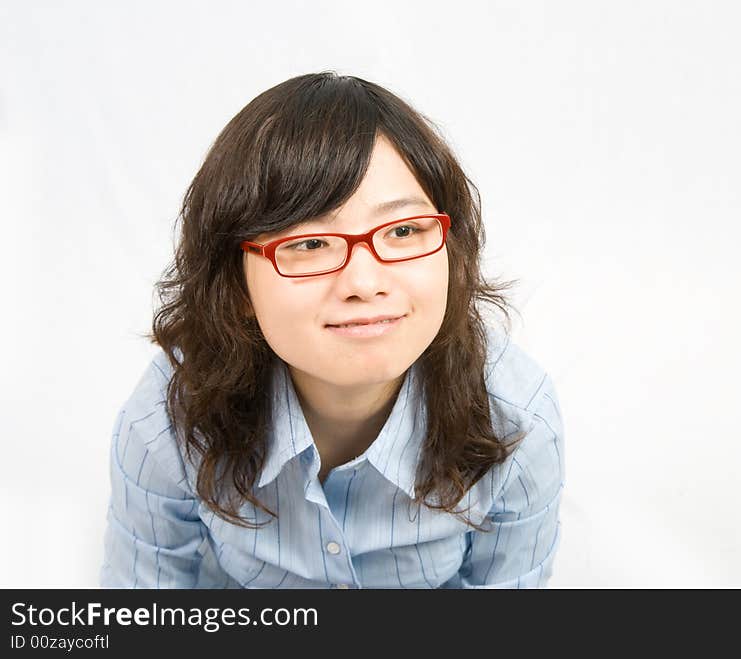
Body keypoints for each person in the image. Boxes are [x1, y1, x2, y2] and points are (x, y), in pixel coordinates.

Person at [99, 71, 565, 589]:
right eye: (309, 243)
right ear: (234, 284)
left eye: (404, 230)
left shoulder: (517, 417)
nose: (364, 283)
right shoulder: (170, 416)